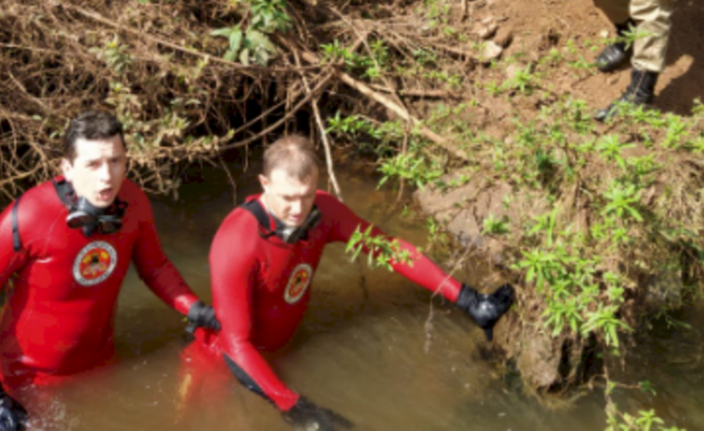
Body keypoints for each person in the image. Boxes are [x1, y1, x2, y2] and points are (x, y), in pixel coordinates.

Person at [189, 135, 514, 430]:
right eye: (288, 197)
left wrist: (469, 299)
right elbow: (236, 345)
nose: (298, 209)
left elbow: (388, 249)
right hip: (222, 366)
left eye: (306, 195)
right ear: (264, 184)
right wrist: (298, 409)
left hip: (286, 350)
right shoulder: (237, 241)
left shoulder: (323, 211)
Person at [0, 110, 220, 431]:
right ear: (67, 168)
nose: (106, 177)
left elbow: (155, 267)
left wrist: (196, 309)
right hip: (28, 383)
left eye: (116, 161)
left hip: (102, 368)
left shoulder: (134, 202)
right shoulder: (27, 217)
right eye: (92, 165)